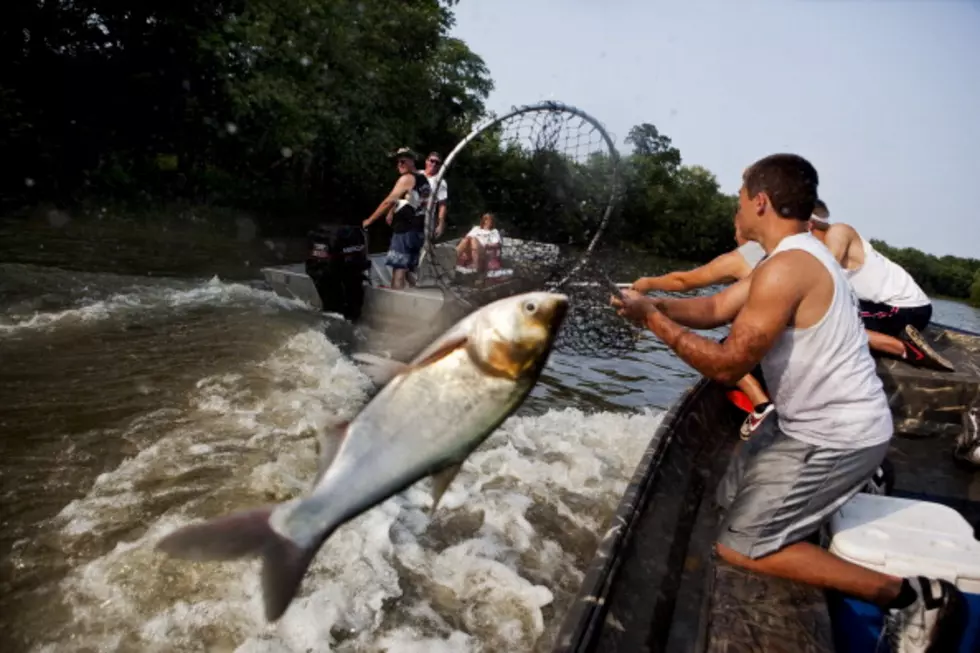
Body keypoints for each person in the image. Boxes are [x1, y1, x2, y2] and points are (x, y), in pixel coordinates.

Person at [611, 153, 967, 653]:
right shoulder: (789, 257)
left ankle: (913, 596)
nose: (734, 208)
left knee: (739, 547)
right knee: (726, 498)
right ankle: (851, 487)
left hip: (837, 438)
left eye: (739, 198)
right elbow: (714, 307)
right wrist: (647, 304)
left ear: (760, 202)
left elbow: (726, 366)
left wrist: (653, 321)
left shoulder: (790, 269)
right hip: (806, 424)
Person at [632, 222, 773, 438]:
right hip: (776, 347)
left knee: (726, 348)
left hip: (761, 348)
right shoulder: (781, 253)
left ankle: (761, 405)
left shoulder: (738, 259)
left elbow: (684, 281)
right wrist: (655, 305)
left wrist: (648, 283)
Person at [808, 203, 954, 372]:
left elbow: (824, 275)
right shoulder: (817, 249)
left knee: (828, 320)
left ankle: (906, 349)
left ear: (809, 225)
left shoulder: (838, 231)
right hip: (887, 308)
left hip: (908, 309)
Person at [362, 147, 431, 290]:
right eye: (398, 162)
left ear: (412, 161)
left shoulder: (406, 178)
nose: (399, 164)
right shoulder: (422, 179)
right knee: (409, 270)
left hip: (404, 231)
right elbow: (412, 200)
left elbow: (389, 201)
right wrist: (392, 211)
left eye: (403, 161)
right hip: (418, 231)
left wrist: (369, 220)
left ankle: (395, 303)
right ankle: (415, 298)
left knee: (398, 270)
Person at [454, 212, 511, 284]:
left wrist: (487, 245)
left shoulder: (494, 231)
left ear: (492, 222)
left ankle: (475, 267)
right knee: (467, 239)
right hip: (471, 249)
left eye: (490, 220)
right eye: (486, 219)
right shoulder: (476, 228)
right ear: (483, 220)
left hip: (484, 250)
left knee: (473, 239)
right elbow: (467, 238)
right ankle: (454, 255)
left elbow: (497, 244)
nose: (487, 221)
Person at [423, 151, 449, 239]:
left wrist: (441, 223)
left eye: (437, 163)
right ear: (426, 161)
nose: (434, 164)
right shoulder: (416, 174)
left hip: (426, 221)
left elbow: (442, 204)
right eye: (432, 161)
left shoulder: (441, 182)